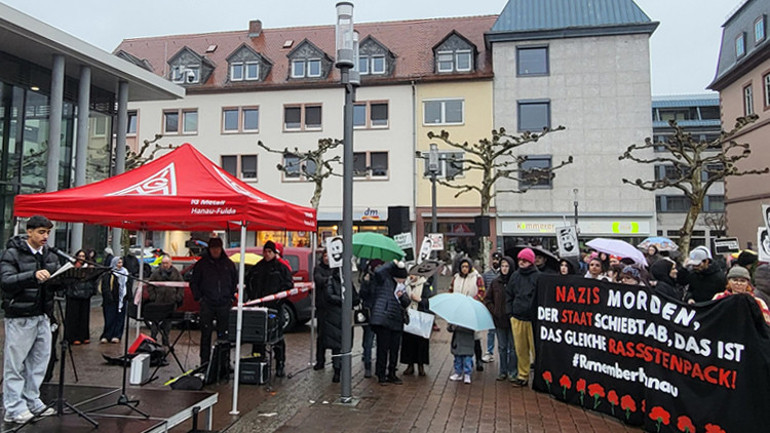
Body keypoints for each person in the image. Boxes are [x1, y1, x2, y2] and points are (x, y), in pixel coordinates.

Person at [1, 215, 59, 423]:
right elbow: (6, 281)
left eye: (48, 232)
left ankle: (31, 398)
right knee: (16, 364)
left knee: (39, 362)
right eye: (42, 232)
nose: (45, 236)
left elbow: (54, 280)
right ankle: (13, 406)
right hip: (20, 316)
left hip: (43, 315)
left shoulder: (49, 255)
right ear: (30, 232)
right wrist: (32, 275)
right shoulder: (13, 253)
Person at [245, 240, 292, 377]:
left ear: (274, 253)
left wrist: (279, 300)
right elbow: (249, 282)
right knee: (258, 337)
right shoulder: (257, 268)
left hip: (275, 308)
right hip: (259, 309)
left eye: (269, 252)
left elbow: (288, 286)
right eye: (265, 251)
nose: (267, 254)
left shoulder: (281, 268)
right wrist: (253, 298)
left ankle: (280, 363)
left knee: (277, 338)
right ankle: (258, 361)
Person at [190, 237, 237, 367]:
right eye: (213, 249)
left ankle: (224, 363)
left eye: (217, 248)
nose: (215, 251)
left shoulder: (229, 264)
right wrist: (199, 298)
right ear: (209, 249)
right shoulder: (201, 265)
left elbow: (234, 281)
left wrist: (230, 297)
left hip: (224, 303)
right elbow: (194, 282)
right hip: (207, 304)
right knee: (206, 334)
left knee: (224, 335)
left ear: (221, 249)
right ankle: (204, 362)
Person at [368, 260, 411, 385]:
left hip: (397, 320)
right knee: (383, 348)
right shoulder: (384, 281)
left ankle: (392, 373)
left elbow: (406, 302)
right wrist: (393, 263)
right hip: (384, 319)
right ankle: (381, 374)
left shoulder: (402, 288)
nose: (403, 281)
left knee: (394, 349)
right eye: (401, 278)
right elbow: (378, 271)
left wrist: (401, 297)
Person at [506, 248, 540, 387]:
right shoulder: (515, 276)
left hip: (533, 319)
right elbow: (509, 294)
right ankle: (523, 375)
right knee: (520, 349)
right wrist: (510, 312)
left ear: (530, 262)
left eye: (524, 260)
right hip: (517, 317)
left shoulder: (538, 277)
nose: (521, 262)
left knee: (536, 349)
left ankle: (538, 376)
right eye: (520, 259)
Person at [321, 264, 358, 383]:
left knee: (345, 345)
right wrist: (344, 300)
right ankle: (337, 370)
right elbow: (329, 296)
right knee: (337, 346)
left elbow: (355, 297)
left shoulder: (348, 282)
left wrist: (353, 300)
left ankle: (342, 368)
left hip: (345, 317)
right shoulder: (331, 281)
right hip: (335, 317)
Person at [449, 257, 486, 371]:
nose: (464, 269)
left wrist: (472, 301)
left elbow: (482, 292)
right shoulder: (456, 278)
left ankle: (478, 359)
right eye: (462, 267)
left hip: (471, 309)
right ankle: (461, 361)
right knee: (460, 336)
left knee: (474, 337)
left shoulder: (477, 277)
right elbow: (451, 291)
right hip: (459, 310)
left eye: (466, 266)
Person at [484, 256, 517, 382]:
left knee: (513, 348)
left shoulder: (515, 282)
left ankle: (512, 371)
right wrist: (494, 310)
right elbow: (487, 299)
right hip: (500, 320)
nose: (504, 268)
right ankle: (503, 371)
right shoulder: (495, 282)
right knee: (502, 347)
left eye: (507, 266)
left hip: (513, 319)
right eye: (502, 266)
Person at [147, 254, 184, 345]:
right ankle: (153, 337)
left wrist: (177, 297)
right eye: (163, 263)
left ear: (170, 263)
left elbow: (181, 286)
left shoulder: (176, 273)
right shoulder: (156, 273)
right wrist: (153, 297)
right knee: (155, 321)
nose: (165, 265)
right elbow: (150, 285)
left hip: (170, 301)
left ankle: (165, 338)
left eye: (166, 263)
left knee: (168, 322)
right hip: (158, 301)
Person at [64, 249, 97, 345]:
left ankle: (83, 336)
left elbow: (93, 281)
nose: (81, 258)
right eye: (80, 256)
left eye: (83, 256)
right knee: (73, 317)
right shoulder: (71, 267)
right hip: (73, 295)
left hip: (85, 295)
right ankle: (73, 337)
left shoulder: (89, 268)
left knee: (84, 317)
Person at [400, 274, 431, 377]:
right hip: (409, 316)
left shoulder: (425, 285)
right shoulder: (406, 285)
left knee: (421, 342)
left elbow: (429, 302)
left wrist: (420, 300)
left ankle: (421, 366)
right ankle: (410, 365)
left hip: (421, 317)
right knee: (409, 342)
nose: (412, 276)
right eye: (410, 274)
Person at [358, 258, 384, 378]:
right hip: (368, 312)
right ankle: (367, 365)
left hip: (380, 312)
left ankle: (380, 366)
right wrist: (366, 283)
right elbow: (362, 295)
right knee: (368, 340)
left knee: (380, 340)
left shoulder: (384, 279)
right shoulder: (367, 278)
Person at [100, 257, 129, 344]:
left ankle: (117, 335)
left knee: (120, 318)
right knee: (109, 318)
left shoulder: (125, 273)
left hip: (121, 300)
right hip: (110, 301)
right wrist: (109, 297)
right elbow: (105, 287)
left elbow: (127, 286)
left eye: (121, 262)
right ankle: (107, 335)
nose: (120, 265)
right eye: (118, 263)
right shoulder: (108, 274)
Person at [312, 249, 333, 371]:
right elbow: (318, 280)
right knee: (321, 335)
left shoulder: (335, 269)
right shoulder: (318, 269)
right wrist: (329, 280)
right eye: (325, 255)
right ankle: (320, 360)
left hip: (333, 307)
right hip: (322, 306)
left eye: (328, 255)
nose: (326, 258)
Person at [480, 252, 502, 363]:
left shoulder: (504, 275)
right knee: (491, 331)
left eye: (498, 260)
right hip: (491, 306)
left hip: (501, 306)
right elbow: (483, 291)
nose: (495, 261)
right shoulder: (486, 275)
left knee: (501, 332)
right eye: (494, 259)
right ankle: (489, 352)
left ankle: (502, 352)